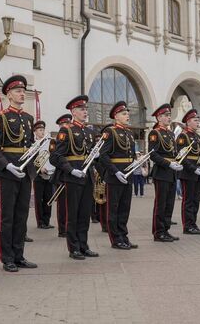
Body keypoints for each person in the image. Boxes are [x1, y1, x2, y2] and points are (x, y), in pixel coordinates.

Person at [0, 75, 38, 272]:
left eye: (23, 90)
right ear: (9, 94)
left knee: (21, 215)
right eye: (18, 91)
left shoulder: (28, 118)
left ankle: (19, 255)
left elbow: (28, 144)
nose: (22, 93)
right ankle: (7, 257)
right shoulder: (0, 117)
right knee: (7, 216)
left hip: (25, 171)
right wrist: (7, 166)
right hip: (8, 172)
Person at [49, 95, 99, 259]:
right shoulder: (66, 130)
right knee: (73, 214)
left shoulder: (90, 132)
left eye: (85, 109)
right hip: (73, 177)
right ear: (73, 112)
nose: (84, 112)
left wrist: (96, 156)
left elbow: (90, 156)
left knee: (85, 214)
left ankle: (83, 245)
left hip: (87, 177)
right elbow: (55, 156)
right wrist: (70, 170)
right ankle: (74, 248)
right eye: (81, 109)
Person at [98, 101, 138, 249]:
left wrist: (136, 164)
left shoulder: (129, 133)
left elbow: (131, 155)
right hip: (115, 177)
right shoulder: (110, 132)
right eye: (124, 114)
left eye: (127, 113)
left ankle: (123, 236)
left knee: (124, 209)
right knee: (113, 209)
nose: (127, 116)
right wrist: (115, 171)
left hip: (128, 175)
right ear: (116, 116)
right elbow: (103, 156)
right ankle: (116, 239)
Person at [148, 104, 183, 242]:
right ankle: (158, 232)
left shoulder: (170, 133)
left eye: (169, 115)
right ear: (159, 117)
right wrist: (169, 164)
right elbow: (153, 154)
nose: (169, 118)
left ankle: (166, 229)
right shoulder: (154, 133)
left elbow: (172, 153)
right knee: (161, 204)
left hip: (171, 173)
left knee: (169, 204)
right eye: (166, 115)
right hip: (162, 172)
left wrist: (177, 160)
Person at [176, 109, 200, 235]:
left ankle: (193, 223)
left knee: (195, 200)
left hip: (197, 172)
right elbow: (181, 157)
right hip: (188, 172)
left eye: (198, 120)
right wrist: (194, 168)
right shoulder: (183, 136)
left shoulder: (197, 136)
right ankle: (187, 226)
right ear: (188, 122)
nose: (198, 122)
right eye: (195, 120)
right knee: (188, 201)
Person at [52, 114, 72, 237]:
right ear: (60, 126)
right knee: (63, 204)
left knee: (71, 204)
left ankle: (69, 227)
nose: (68, 127)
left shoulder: (73, 138)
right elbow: (54, 158)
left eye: (69, 124)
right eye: (65, 124)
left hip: (72, 174)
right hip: (61, 175)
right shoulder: (56, 141)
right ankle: (62, 229)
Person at [32, 120, 54, 229]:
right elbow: (31, 161)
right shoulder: (33, 145)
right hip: (38, 176)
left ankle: (47, 221)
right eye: (40, 130)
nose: (42, 132)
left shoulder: (48, 143)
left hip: (49, 175)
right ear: (35, 132)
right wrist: (39, 168)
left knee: (48, 199)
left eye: (43, 130)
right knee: (39, 200)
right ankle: (40, 221)